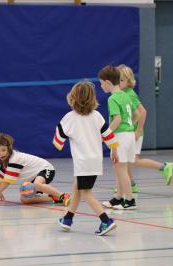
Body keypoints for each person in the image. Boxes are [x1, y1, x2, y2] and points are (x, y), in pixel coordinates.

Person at [54, 81, 118, 235]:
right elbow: (109, 136)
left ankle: (106, 220)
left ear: (72, 98)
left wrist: (61, 139)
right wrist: (114, 150)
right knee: (77, 187)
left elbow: (58, 143)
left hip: (83, 162)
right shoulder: (97, 116)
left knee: (86, 192)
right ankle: (67, 219)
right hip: (95, 161)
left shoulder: (68, 118)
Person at [117, 64, 173, 191]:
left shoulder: (130, 94)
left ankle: (164, 167)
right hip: (129, 132)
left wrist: (137, 131)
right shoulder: (122, 93)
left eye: (122, 80)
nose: (119, 83)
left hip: (135, 133)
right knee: (126, 160)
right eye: (117, 80)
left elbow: (143, 112)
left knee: (134, 161)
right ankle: (131, 185)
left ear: (129, 81)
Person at [98, 65, 139, 210]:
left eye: (101, 83)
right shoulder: (126, 95)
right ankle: (118, 198)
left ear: (108, 82)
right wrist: (129, 127)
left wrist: (106, 133)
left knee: (121, 170)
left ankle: (129, 200)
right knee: (120, 169)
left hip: (120, 137)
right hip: (129, 136)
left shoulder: (113, 98)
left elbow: (117, 119)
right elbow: (137, 115)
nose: (101, 86)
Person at [0, 134, 70, 205]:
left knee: (37, 184)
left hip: (46, 169)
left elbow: (7, 181)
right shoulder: (5, 162)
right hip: (33, 177)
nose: (1, 153)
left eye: (3, 150)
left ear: (9, 148)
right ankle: (54, 198)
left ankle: (63, 196)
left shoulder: (14, 159)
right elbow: (0, 178)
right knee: (24, 199)